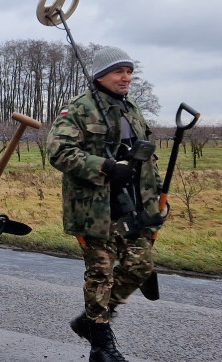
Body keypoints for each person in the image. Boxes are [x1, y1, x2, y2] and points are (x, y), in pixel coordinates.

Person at [47, 46, 165, 362]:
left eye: (129, 71)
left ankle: (90, 321)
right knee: (100, 274)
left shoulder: (131, 110)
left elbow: (146, 158)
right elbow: (59, 152)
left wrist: (155, 197)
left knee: (140, 266)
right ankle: (101, 346)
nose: (126, 77)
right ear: (100, 75)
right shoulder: (79, 109)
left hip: (132, 206)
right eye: (119, 71)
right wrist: (105, 166)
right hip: (94, 208)